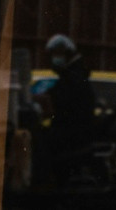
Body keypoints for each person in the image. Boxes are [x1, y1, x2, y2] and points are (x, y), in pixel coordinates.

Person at [41, 34, 98, 185]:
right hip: (76, 134)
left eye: (55, 54)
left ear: (65, 52)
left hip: (71, 137)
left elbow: (61, 100)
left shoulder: (73, 76)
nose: (53, 59)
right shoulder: (75, 73)